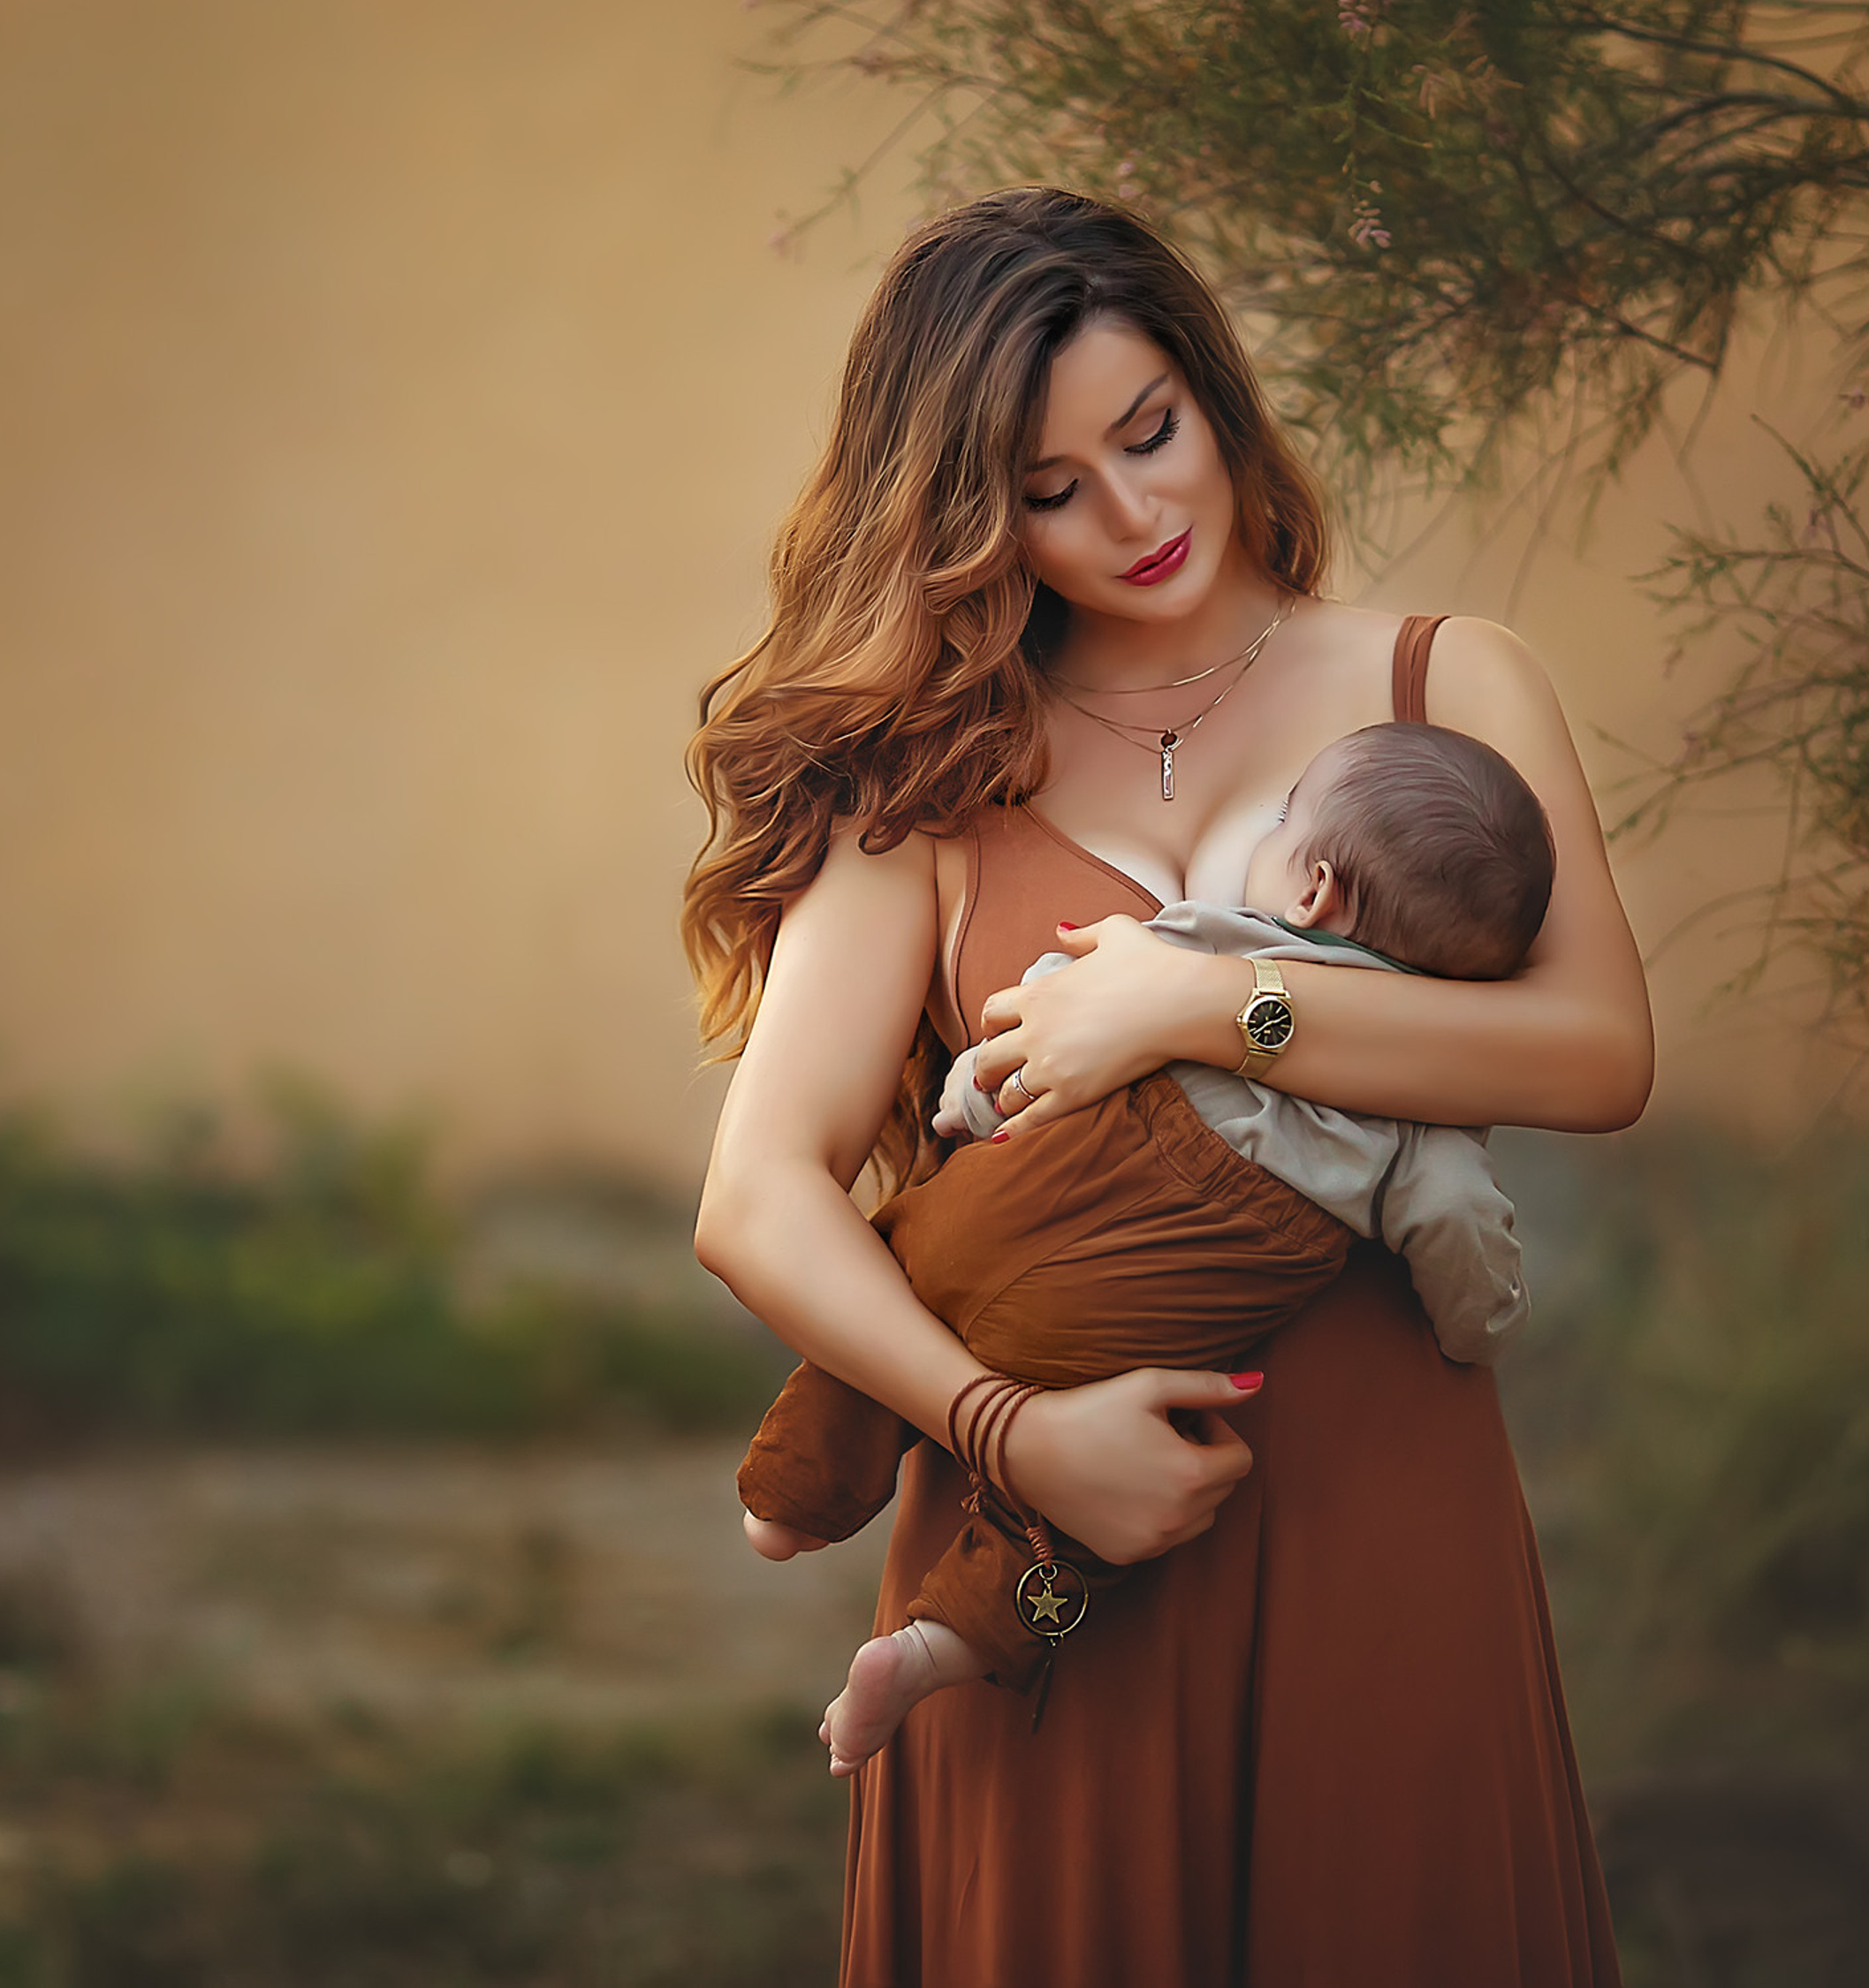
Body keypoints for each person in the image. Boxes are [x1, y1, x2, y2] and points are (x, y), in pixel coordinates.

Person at [685, 187, 1650, 1986]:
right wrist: (1006, 1432)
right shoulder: (932, 777)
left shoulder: (1443, 684)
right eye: (1051, 488)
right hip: (1041, 1551)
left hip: (1387, 1538)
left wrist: (1211, 1011)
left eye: (1150, 434)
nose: (1133, 517)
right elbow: (757, 1194)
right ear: (969, 514)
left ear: (1212, 395)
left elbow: (1593, 1052)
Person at [736, 716, 1547, 1774]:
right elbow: (1456, 1228)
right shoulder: (1415, 1102)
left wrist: (972, 1101)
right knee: (1078, 1528)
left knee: (896, 1280)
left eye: (1282, 825)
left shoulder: (1201, 940)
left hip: (1014, 1193)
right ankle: (934, 1650)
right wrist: (1477, 1326)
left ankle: (785, 1499)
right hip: (1137, 1309)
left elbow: (1044, 1009)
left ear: (1312, 894)